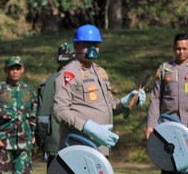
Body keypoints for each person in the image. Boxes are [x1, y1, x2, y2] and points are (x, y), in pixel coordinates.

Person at [54, 24, 146, 156]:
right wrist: (88, 127)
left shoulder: (100, 72)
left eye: (95, 45)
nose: (92, 49)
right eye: (87, 44)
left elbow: (108, 106)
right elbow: (60, 111)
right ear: (76, 46)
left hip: (100, 147)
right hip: (79, 146)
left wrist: (125, 102)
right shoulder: (68, 74)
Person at [147, 33, 188, 174]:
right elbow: (155, 99)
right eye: (178, 48)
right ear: (173, 49)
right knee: (168, 168)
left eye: (184, 48)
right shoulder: (165, 69)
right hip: (169, 128)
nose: (181, 52)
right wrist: (151, 125)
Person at [36, 43, 74, 174]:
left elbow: (42, 118)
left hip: (55, 144)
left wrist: (42, 142)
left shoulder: (50, 82)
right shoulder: (82, 79)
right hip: (76, 144)